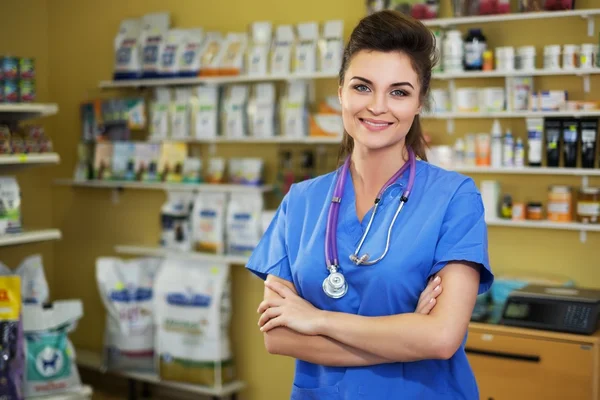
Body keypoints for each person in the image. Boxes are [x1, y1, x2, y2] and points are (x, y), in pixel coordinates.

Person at [246, 9, 494, 400]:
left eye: (399, 92)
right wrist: (408, 334)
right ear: (341, 91)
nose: (378, 106)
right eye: (363, 87)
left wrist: (317, 320)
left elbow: (443, 339)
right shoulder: (302, 202)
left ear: (418, 103)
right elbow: (278, 337)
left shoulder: (455, 198)